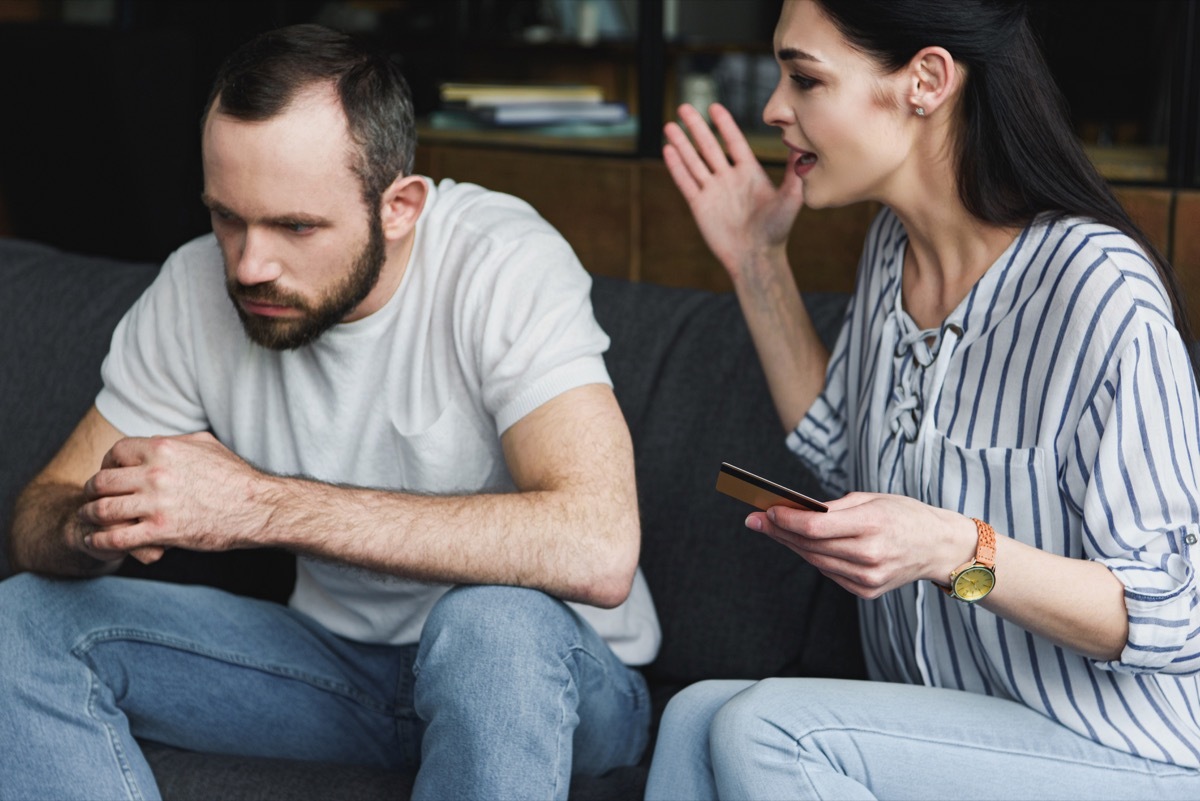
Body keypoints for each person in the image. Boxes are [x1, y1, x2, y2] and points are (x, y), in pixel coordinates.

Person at [0, 23, 659, 801]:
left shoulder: (500, 263)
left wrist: (258, 506)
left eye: (296, 226)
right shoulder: (193, 287)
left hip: (552, 676)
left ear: (401, 206)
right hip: (338, 670)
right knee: (23, 620)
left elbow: (600, 545)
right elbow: (38, 514)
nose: (249, 265)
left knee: (490, 623)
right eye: (227, 217)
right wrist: (93, 522)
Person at [643, 1, 1200, 799]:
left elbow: (1176, 612)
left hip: (1123, 749)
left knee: (761, 729)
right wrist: (757, 264)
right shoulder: (892, 252)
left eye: (804, 78)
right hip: (953, 728)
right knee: (695, 715)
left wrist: (957, 550)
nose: (773, 108)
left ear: (926, 81)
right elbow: (840, 450)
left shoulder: (1098, 290)